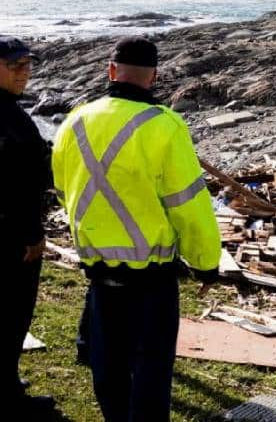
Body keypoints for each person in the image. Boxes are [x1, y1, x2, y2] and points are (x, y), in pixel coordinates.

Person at [51, 37, 221, 422]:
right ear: (154, 76)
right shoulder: (164, 126)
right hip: (152, 280)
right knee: (150, 371)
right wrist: (206, 263)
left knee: (108, 369)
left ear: (111, 70)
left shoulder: (74, 121)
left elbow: (65, 192)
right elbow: (189, 205)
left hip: (98, 271)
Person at [0, 37, 55, 419]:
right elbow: (14, 186)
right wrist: (32, 234)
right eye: (15, 65)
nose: (25, 73)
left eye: (28, 65)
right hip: (10, 237)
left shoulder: (10, 111)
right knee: (10, 315)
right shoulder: (6, 118)